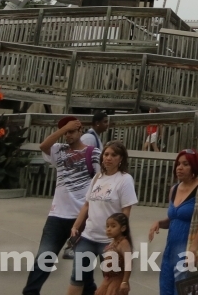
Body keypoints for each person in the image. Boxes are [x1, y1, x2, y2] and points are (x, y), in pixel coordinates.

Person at [23, 116, 101, 295]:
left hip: (82, 217)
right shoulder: (58, 150)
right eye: (65, 133)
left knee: (83, 263)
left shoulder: (93, 153)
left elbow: (99, 183)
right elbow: (43, 146)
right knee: (44, 258)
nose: (68, 136)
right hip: (57, 215)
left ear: (80, 131)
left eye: (71, 131)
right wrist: (64, 128)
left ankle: (89, 292)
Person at [68, 141, 137, 295]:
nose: (108, 158)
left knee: (111, 280)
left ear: (121, 159)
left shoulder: (124, 179)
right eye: (106, 154)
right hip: (88, 236)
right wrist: (76, 226)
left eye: (113, 155)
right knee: (77, 277)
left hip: (109, 241)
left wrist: (120, 238)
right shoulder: (97, 178)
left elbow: (126, 210)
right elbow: (86, 205)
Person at [148, 149, 198, 295]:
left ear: (194, 166)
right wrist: (159, 223)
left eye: (185, 164)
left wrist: (193, 249)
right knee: (166, 289)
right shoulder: (174, 189)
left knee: (184, 291)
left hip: (188, 251)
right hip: (170, 251)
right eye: (178, 164)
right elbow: (174, 219)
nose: (179, 167)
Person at [96, 212, 133, 295]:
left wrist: (124, 282)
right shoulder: (112, 242)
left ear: (123, 228)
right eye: (107, 226)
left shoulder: (124, 243)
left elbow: (128, 262)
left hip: (117, 282)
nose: (109, 229)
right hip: (108, 280)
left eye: (113, 226)